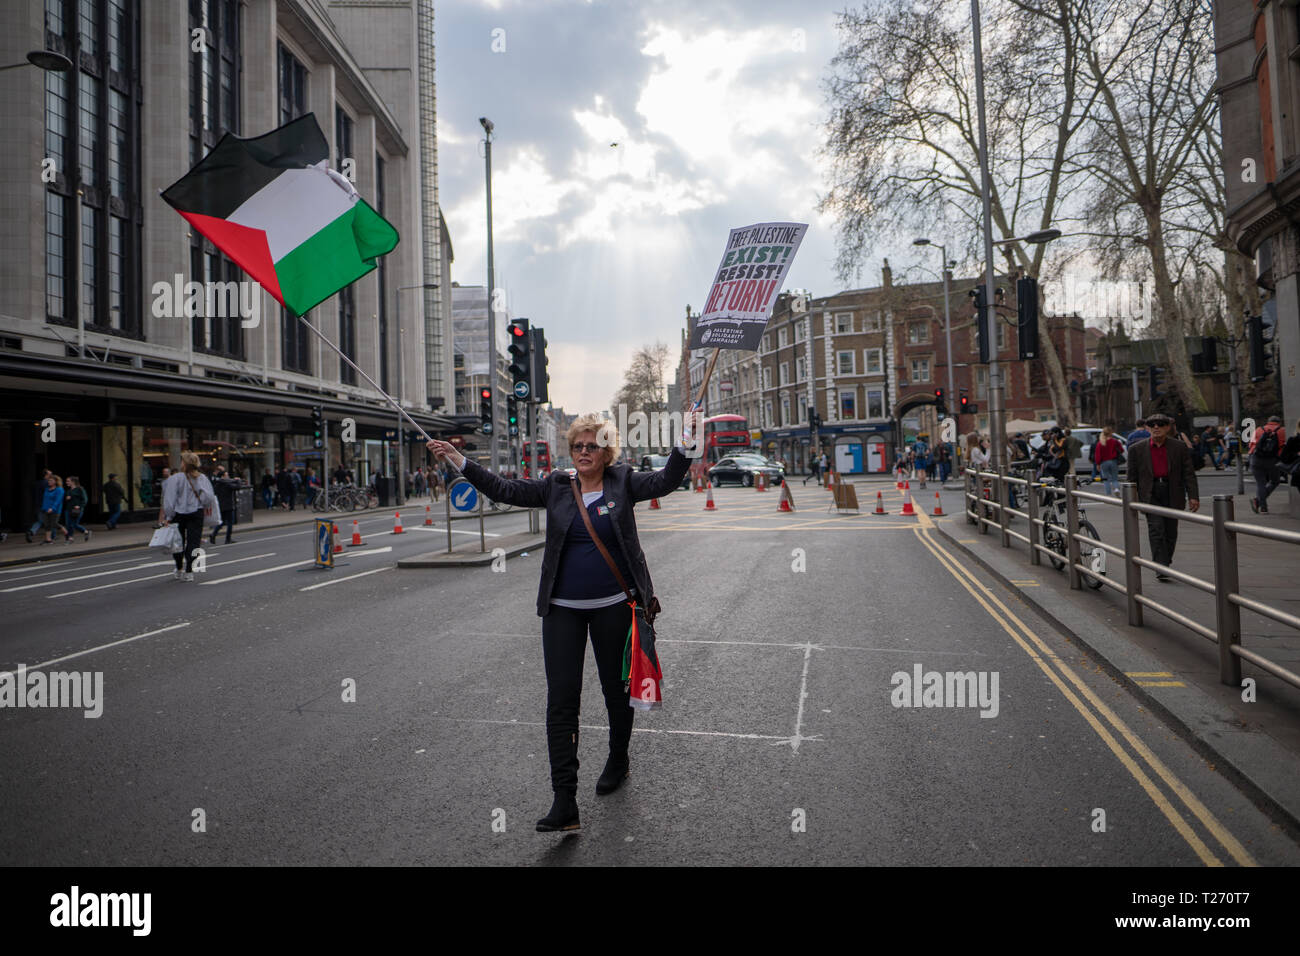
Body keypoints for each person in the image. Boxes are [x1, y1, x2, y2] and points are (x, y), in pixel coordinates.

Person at [425, 410, 696, 833]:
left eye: (592, 446)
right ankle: (564, 800)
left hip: (615, 606)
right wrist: (460, 462)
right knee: (562, 701)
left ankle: (618, 757)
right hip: (562, 609)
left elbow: (667, 480)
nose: (584, 452)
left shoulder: (624, 482)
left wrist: (686, 443)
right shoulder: (556, 486)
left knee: (615, 690)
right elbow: (506, 488)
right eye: (577, 446)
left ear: (606, 451)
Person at [1126, 413, 1198, 582]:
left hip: (1173, 491)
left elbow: (1189, 474)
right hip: (1150, 493)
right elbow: (1131, 477)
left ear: (1167, 427)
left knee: (1171, 531)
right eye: (1152, 424)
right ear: (1147, 428)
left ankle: (1165, 561)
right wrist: (1132, 500)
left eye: (1160, 424)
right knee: (1156, 529)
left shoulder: (1179, 447)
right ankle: (1160, 566)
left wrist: (1193, 496)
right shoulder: (1136, 449)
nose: (1156, 427)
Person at [160, 451, 219, 582]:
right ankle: (189, 571)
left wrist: (168, 516)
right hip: (196, 512)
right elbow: (209, 497)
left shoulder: (175, 478)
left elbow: (169, 501)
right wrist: (200, 501)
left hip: (178, 514)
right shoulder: (202, 478)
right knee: (194, 542)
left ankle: (179, 567)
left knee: (177, 542)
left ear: (185, 464)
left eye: (182, 461)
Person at [1249, 415, 1287, 513]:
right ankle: (1257, 501)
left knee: (1260, 483)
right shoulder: (1282, 431)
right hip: (1273, 460)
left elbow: (1251, 444)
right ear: (1279, 422)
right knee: (1275, 481)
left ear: (1268, 421)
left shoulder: (1258, 430)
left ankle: (1263, 507)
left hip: (1256, 459)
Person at [210, 467, 239, 545]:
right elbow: (237, 487)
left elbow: (214, 492)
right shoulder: (227, 484)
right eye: (226, 475)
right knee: (230, 523)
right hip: (228, 505)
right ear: (222, 476)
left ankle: (213, 534)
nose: (228, 477)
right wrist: (237, 481)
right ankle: (228, 539)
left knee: (222, 522)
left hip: (221, 505)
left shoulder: (217, 484)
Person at [1094, 425, 1123, 496]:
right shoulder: (1115, 441)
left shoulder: (1100, 443)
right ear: (1111, 433)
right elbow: (1121, 450)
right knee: (1115, 478)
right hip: (1113, 461)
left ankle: (1108, 494)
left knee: (1106, 479)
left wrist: (1097, 464)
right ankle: (1116, 489)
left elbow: (1097, 454)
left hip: (1103, 462)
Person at [38, 473, 64, 545]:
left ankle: (66, 533)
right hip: (45, 509)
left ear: (55, 481)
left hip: (55, 510)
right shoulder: (47, 489)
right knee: (47, 525)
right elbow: (45, 499)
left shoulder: (59, 490)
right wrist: (44, 508)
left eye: (51, 480)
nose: (49, 482)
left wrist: (52, 508)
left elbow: (58, 500)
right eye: (49, 480)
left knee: (54, 524)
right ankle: (48, 540)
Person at [27, 469, 52, 542]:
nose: (52, 476)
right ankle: (51, 536)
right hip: (45, 505)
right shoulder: (47, 484)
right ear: (46, 475)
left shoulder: (36, 483)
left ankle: (31, 531)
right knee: (50, 520)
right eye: (50, 474)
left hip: (37, 504)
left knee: (40, 521)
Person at [63, 476, 90, 543]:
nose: (66, 482)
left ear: (73, 482)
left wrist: (79, 506)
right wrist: (67, 499)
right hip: (68, 509)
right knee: (68, 524)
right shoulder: (68, 491)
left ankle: (86, 531)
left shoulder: (80, 489)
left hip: (77, 509)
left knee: (74, 524)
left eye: (68, 481)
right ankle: (71, 538)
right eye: (66, 481)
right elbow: (66, 500)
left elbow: (85, 499)